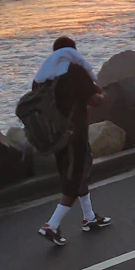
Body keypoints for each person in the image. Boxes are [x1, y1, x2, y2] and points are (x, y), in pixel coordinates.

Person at [33, 37, 110, 246]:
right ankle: (52, 225)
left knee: (75, 173)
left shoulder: (42, 77)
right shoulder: (75, 71)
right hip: (75, 134)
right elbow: (94, 100)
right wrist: (103, 95)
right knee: (76, 175)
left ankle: (89, 218)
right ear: (73, 52)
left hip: (55, 136)